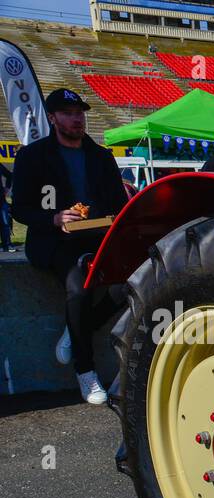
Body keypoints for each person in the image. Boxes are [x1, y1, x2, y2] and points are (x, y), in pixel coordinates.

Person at [10, 88, 130, 404]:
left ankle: (78, 325)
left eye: (79, 112)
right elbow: (19, 208)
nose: (77, 118)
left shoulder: (102, 156)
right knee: (79, 285)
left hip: (96, 236)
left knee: (130, 278)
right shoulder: (32, 156)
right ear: (52, 118)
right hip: (53, 241)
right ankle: (85, 371)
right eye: (67, 113)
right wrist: (53, 218)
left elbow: (118, 204)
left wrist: (111, 219)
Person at [0, 162, 14, 252]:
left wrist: (7, 188)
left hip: (1, 200)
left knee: (4, 222)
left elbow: (9, 175)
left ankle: (7, 245)